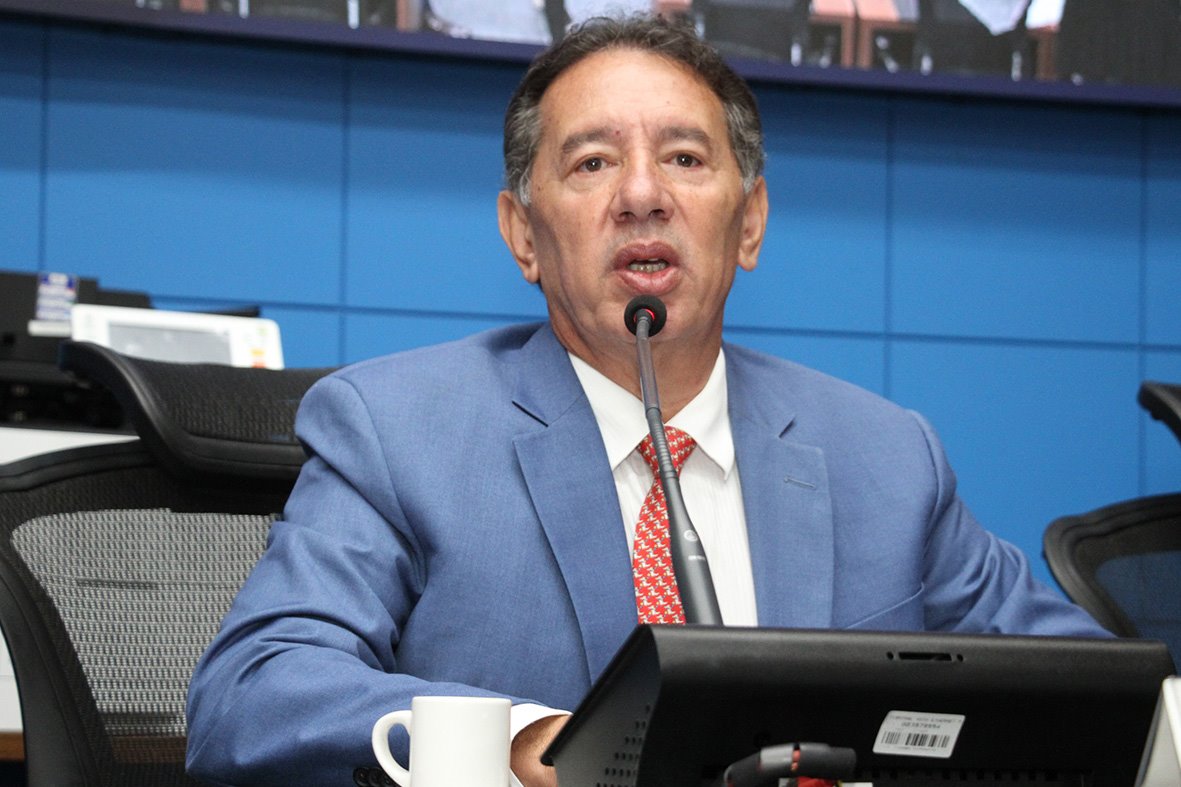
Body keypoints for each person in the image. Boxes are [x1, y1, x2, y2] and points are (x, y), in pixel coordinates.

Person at [185, 14, 1109, 787]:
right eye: (592, 163)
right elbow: (253, 693)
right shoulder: (396, 430)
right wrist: (514, 740)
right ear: (523, 235)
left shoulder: (886, 456)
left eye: (684, 157)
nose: (640, 194)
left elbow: (1095, 694)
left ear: (749, 222)